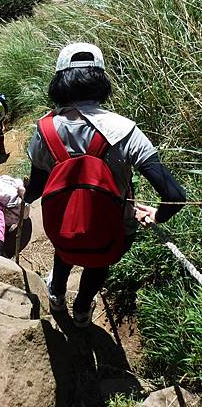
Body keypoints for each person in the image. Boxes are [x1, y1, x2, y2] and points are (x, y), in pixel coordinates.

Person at [24, 42, 186, 327]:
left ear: (60, 80)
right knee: (98, 261)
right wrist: (156, 215)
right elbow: (174, 195)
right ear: (100, 79)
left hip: (63, 227)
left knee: (65, 251)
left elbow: (36, 190)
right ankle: (83, 310)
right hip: (113, 229)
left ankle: (57, 295)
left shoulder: (44, 130)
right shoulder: (126, 131)